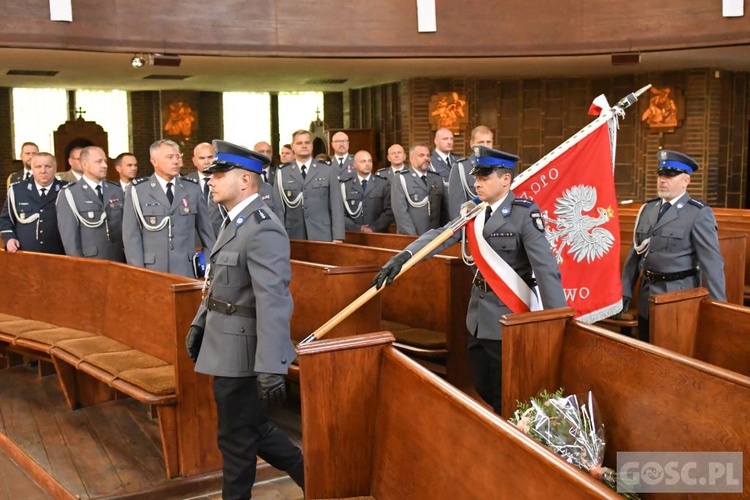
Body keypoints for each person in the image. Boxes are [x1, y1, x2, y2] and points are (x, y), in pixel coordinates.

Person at [373, 145, 566, 414]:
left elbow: (546, 269)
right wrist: (403, 257)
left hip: (509, 315)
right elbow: (439, 236)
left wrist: (557, 322)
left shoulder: (524, 214)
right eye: (476, 178)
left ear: (505, 179)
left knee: (506, 391)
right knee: (483, 382)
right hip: (478, 316)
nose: (477, 184)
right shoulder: (474, 212)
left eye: (484, 178)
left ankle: (511, 438)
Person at [185, 140, 304, 498]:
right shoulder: (234, 221)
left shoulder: (262, 227)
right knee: (252, 430)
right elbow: (220, 286)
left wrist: (271, 365)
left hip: (243, 353)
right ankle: (322, 478)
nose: (211, 181)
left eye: (220, 175)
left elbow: (273, 301)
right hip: (224, 343)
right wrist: (199, 324)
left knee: (236, 441)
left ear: (245, 181)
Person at [620, 150, 726, 342]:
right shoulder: (648, 209)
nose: (663, 180)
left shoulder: (698, 213)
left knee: (672, 356)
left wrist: (717, 309)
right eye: (661, 174)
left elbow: (712, 264)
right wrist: (624, 292)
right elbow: (634, 255)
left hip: (678, 298)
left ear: (686, 181)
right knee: (645, 348)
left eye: (670, 175)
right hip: (647, 295)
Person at [122, 139, 216, 278]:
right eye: (170, 157)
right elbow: (131, 236)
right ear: (154, 161)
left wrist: (209, 262)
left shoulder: (192, 188)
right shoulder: (138, 190)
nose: (176, 161)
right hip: (152, 269)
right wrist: (138, 272)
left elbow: (206, 232)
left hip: (186, 269)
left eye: (178, 156)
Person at [272, 130, 345, 242]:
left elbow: (336, 206)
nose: (304, 146)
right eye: (299, 143)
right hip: (293, 235)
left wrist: (338, 236)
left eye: (307, 142)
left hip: (322, 234)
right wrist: (278, 236)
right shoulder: (283, 172)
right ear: (293, 146)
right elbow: (278, 209)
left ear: (312, 146)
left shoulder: (327, 170)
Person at [56, 146, 125, 261]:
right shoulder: (70, 193)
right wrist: (78, 265)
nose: (105, 165)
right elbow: (70, 237)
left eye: (105, 161)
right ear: (84, 164)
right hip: (90, 261)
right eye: (99, 162)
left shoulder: (116, 190)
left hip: (117, 259)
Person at [1, 152, 66, 254]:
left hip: (58, 255)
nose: (43, 171)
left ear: (55, 169)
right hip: (25, 254)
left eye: (48, 166)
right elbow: (6, 218)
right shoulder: (17, 190)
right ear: (32, 169)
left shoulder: (67, 190)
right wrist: (9, 238)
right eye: (38, 167)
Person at [391, 143, 444, 235]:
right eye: (421, 155)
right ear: (412, 159)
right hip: (411, 236)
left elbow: (443, 209)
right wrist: (413, 236)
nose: (426, 158)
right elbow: (400, 213)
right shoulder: (401, 178)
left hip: (434, 236)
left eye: (428, 155)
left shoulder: (436, 178)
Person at [340, 150, 393, 233]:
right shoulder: (346, 186)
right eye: (363, 161)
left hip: (379, 234)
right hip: (354, 234)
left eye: (369, 161)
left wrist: (373, 228)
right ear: (355, 165)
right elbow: (341, 213)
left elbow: (389, 211)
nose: (367, 164)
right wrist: (357, 228)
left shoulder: (383, 184)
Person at [447, 125, 494, 219]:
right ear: (472, 144)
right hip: (472, 223)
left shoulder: (500, 166)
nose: (485, 146)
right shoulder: (461, 167)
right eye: (481, 142)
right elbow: (456, 208)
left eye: (488, 142)